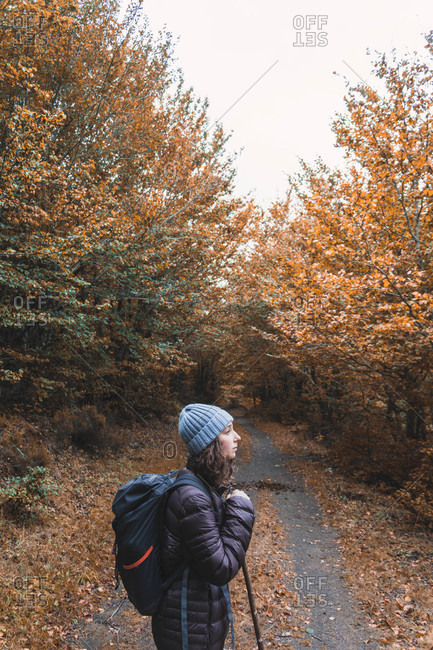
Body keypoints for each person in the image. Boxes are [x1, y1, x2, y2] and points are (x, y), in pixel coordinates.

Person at [151, 403, 255, 650]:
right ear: (210, 443)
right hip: (187, 626)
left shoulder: (201, 484)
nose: (237, 436)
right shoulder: (192, 498)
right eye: (228, 431)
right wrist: (241, 508)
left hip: (197, 618)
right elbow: (221, 568)